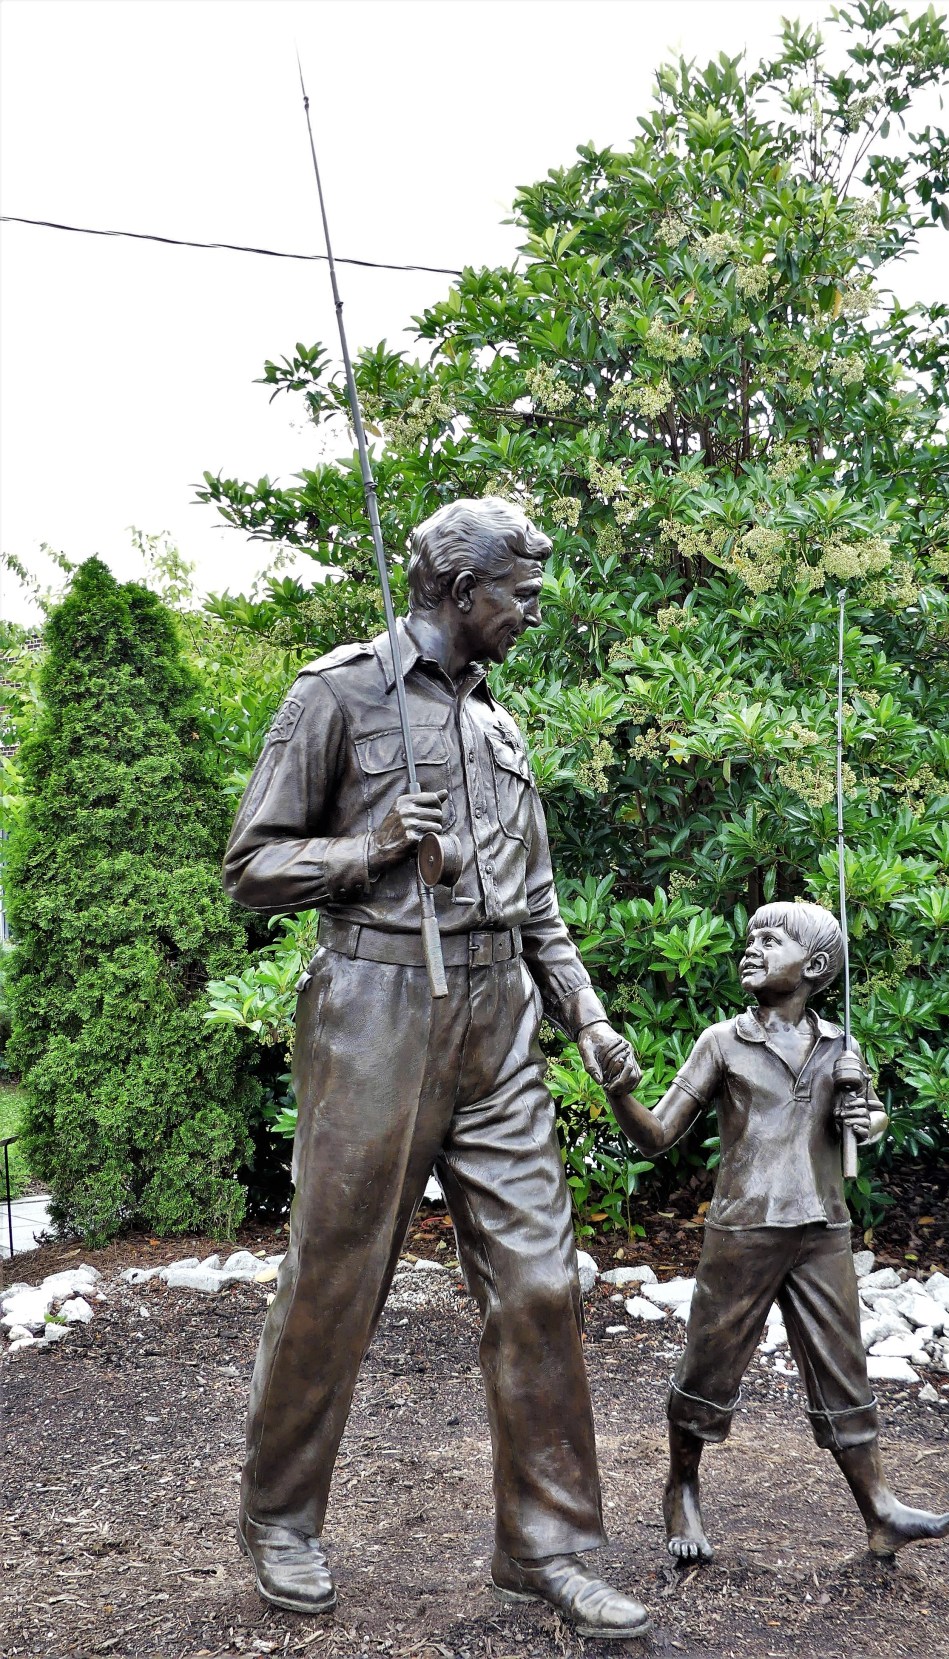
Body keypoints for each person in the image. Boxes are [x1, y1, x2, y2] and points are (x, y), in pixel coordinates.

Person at [222, 497, 650, 1640]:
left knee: (542, 1280)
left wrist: (588, 1019)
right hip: (375, 1007)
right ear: (462, 592)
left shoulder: (502, 731)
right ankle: (279, 1518)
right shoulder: (337, 694)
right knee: (336, 1277)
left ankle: (546, 1548)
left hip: (497, 1019)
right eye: (520, 595)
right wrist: (367, 849)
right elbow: (250, 865)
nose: (531, 614)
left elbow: (538, 906)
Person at [605, 900, 949, 1563]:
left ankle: (879, 1508)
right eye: (751, 937)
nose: (753, 947)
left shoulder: (841, 1047)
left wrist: (867, 1114)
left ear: (816, 965)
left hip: (823, 1227)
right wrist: (619, 1093)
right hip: (744, 1227)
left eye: (771, 939)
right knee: (709, 1367)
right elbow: (657, 1135)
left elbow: (867, 1123)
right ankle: (681, 1486)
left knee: (843, 1367)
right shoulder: (722, 1041)